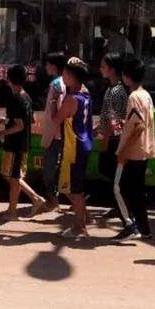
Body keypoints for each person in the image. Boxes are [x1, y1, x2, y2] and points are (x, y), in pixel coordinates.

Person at [113, 57, 155, 241]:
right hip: (142, 150)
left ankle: (129, 225)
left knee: (118, 188)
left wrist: (123, 151)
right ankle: (144, 229)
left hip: (133, 152)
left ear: (127, 77)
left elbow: (137, 126)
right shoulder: (145, 95)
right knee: (136, 193)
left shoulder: (134, 97)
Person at [0, 64, 47, 219]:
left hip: (15, 144)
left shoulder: (14, 98)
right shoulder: (26, 97)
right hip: (23, 143)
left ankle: (15, 210)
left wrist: (1, 132)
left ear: (9, 79)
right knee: (12, 176)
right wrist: (7, 120)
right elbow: (30, 120)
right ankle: (34, 200)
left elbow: (20, 125)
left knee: (13, 178)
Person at [56, 57, 94, 240]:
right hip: (83, 143)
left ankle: (80, 226)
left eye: (65, 74)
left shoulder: (71, 99)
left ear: (72, 77)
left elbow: (57, 119)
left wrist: (53, 104)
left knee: (72, 189)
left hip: (74, 146)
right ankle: (84, 218)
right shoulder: (85, 94)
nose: (62, 77)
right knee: (73, 187)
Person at [96, 52, 128, 192]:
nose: (100, 69)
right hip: (112, 136)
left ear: (112, 70)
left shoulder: (116, 91)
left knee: (109, 169)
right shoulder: (112, 89)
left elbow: (114, 120)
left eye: (103, 66)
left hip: (114, 139)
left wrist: (106, 140)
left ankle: (122, 203)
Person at [40, 52, 67, 204]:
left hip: (54, 133)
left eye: (48, 64)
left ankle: (52, 199)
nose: (45, 67)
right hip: (60, 132)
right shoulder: (65, 82)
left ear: (54, 66)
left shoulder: (56, 84)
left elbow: (56, 108)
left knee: (49, 170)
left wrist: (54, 123)